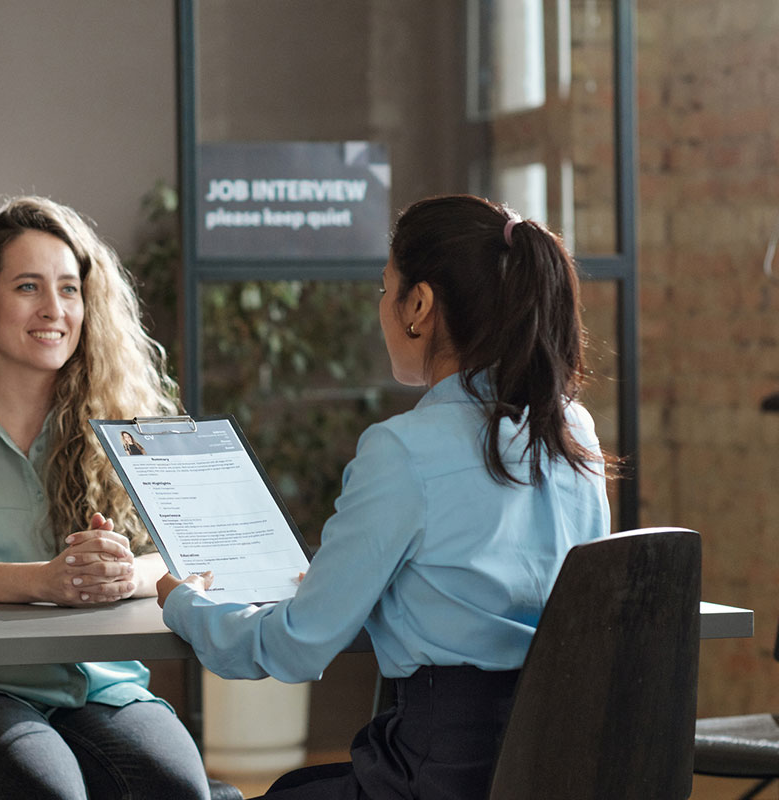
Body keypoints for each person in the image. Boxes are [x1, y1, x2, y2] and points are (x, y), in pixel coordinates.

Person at [157, 194, 612, 800]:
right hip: (562, 766)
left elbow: (296, 647)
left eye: (385, 289)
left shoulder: (404, 449)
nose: (381, 308)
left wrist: (185, 603)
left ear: (418, 305)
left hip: (438, 775)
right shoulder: (573, 430)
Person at [0, 196, 211, 800]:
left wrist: (118, 575)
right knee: (51, 793)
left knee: (180, 790)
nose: (54, 309)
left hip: (102, 685)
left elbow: (183, 555)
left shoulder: (128, 426)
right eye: (28, 287)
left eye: (68, 289)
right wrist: (48, 581)